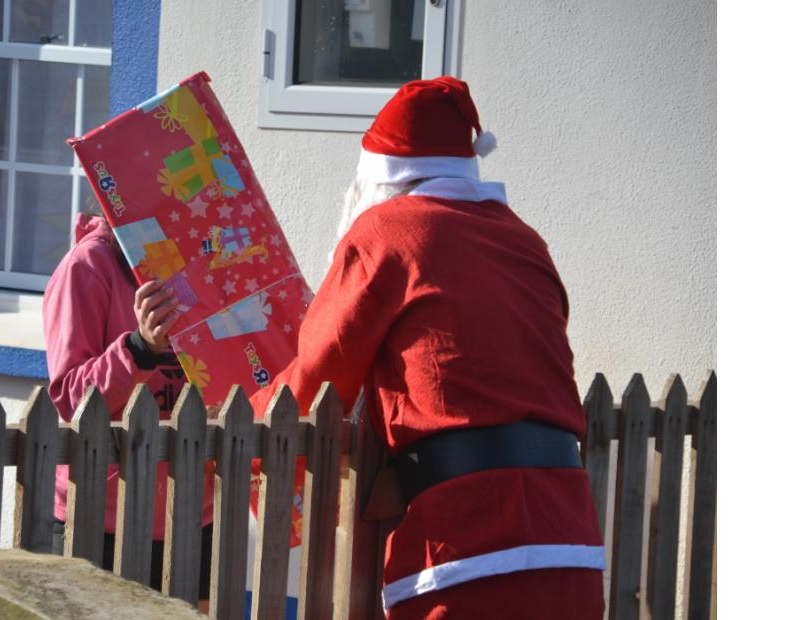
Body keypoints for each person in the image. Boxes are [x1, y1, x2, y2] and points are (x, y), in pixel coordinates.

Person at [248, 77, 606, 618]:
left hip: (466, 552)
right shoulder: (526, 241)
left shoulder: (384, 232)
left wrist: (249, 429)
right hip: (571, 543)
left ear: (379, 180)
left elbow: (320, 378)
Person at [42, 209, 214, 602]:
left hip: (192, 512)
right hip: (101, 519)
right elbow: (71, 398)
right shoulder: (87, 266)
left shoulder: (201, 254)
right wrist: (140, 347)